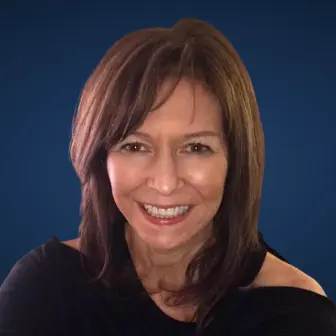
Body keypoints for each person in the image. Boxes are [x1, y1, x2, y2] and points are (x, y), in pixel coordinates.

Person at [0, 18, 335, 336]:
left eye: (196, 148)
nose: (165, 182)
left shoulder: (296, 314)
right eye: (134, 146)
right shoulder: (43, 290)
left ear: (236, 160)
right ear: (101, 158)